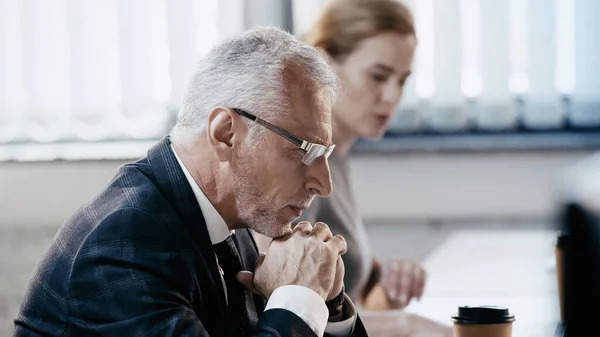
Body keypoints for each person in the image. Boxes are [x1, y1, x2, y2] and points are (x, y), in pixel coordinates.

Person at [13, 26, 368, 337]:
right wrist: (298, 299)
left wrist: (327, 300)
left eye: (325, 152)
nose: (324, 184)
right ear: (226, 134)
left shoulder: (231, 220)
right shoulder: (123, 245)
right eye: (303, 151)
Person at [253, 1, 452, 335]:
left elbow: (340, 305)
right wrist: (405, 327)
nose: (392, 96)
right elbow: (276, 308)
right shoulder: (297, 165)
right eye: (378, 76)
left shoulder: (339, 157)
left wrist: (385, 291)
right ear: (325, 64)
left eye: (402, 80)